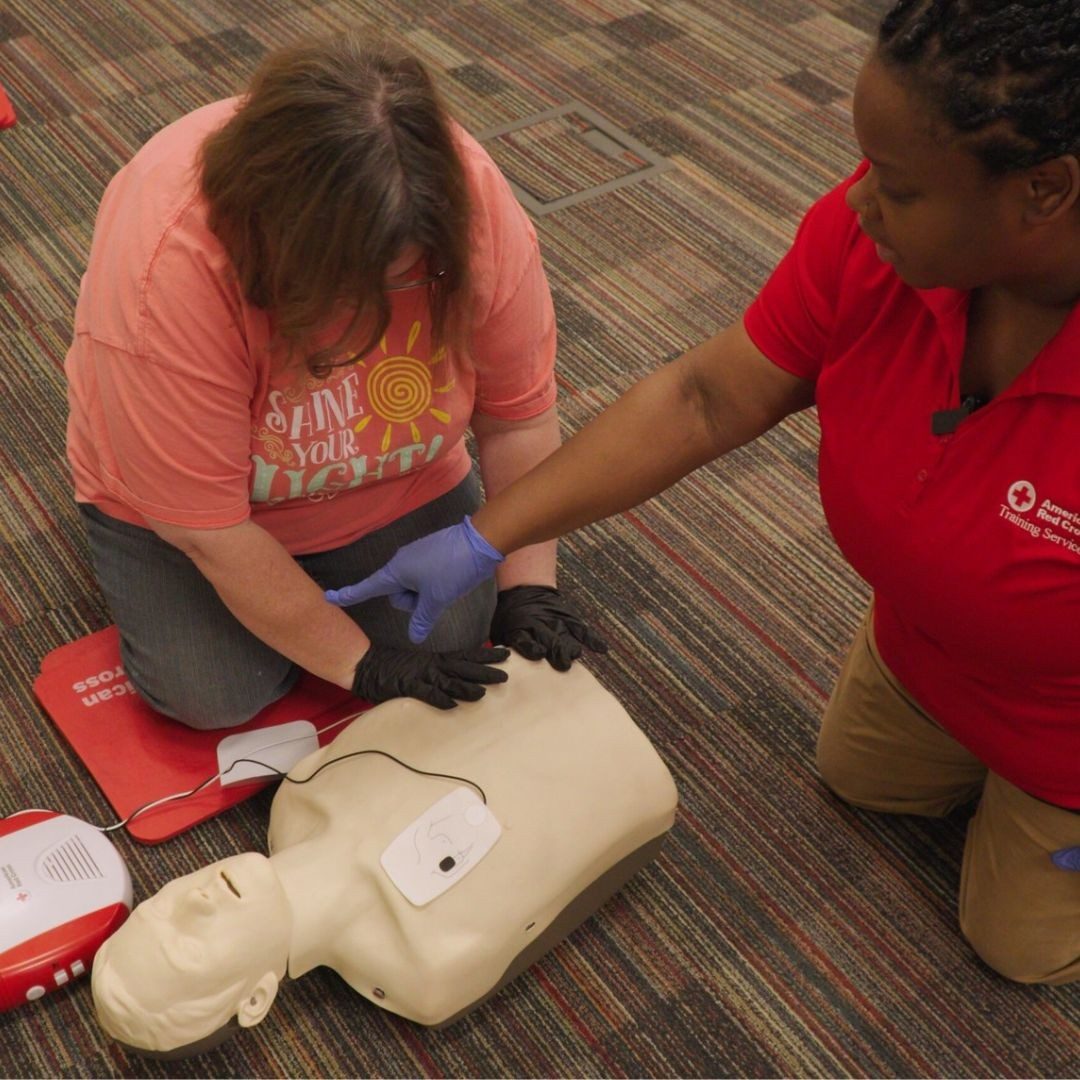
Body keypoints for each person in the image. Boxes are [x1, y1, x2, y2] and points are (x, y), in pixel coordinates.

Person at [328, 0, 1080, 986]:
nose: (856, 206)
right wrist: (483, 538)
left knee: (1014, 949)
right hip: (924, 653)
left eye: (897, 188)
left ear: (1046, 190)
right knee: (857, 777)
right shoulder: (876, 246)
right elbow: (704, 396)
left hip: (1062, 731)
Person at [64, 33, 604, 731]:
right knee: (213, 696)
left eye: (417, 274)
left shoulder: (469, 205)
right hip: (203, 518)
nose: (394, 303)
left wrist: (528, 584)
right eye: (368, 285)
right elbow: (214, 533)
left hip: (395, 477)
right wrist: (363, 665)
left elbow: (518, 418)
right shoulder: (170, 266)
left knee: (454, 636)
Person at [90, 653, 678, 1056]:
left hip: (539, 663)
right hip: (640, 761)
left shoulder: (300, 793)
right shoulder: (427, 964)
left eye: (157, 910)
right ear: (256, 997)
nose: (192, 901)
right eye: (189, 948)